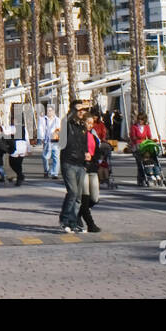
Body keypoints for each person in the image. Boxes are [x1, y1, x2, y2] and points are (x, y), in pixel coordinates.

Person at [58, 99, 91, 233]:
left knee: (78, 196)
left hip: (80, 163)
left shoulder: (82, 126)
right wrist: (73, 110)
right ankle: (64, 220)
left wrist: (86, 154)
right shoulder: (67, 123)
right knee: (72, 192)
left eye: (83, 110)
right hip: (68, 162)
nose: (82, 112)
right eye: (79, 110)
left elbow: (83, 143)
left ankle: (73, 222)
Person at [77, 111, 103, 232]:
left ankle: (79, 212)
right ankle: (91, 224)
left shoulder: (92, 136)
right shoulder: (78, 135)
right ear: (83, 122)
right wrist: (83, 156)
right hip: (82, 168)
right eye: (88, 123)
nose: (90, 125)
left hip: (92, 168)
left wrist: (95, 158)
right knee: (85, 197)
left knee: (95, 198)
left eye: (92, 123)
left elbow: (97, 150)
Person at [129, 112, 153, 185]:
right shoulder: (134, 127)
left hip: (144, 145)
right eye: (139, 119)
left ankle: (148, 175)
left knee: (147, 160)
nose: (140, 121)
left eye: (142, 119)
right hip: (137, 145)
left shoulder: (146, 127)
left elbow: (149, 136)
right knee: (139, 163)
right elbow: (133, 137)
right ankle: (140, 178)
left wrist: (150, 141)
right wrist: (138, 140)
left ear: (144, 120)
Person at [38, 104, 61, 179]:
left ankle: (55, 173)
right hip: (47, 140)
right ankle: (46, 171)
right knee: (45, 157)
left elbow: (59, 129)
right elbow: (40, 128)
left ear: (54, 111)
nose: (49, 112)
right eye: (48, 111)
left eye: (50, 111)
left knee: (56, 157)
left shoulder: (57, 120)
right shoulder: (42, 119)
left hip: (55, 140)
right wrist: (41, 137)